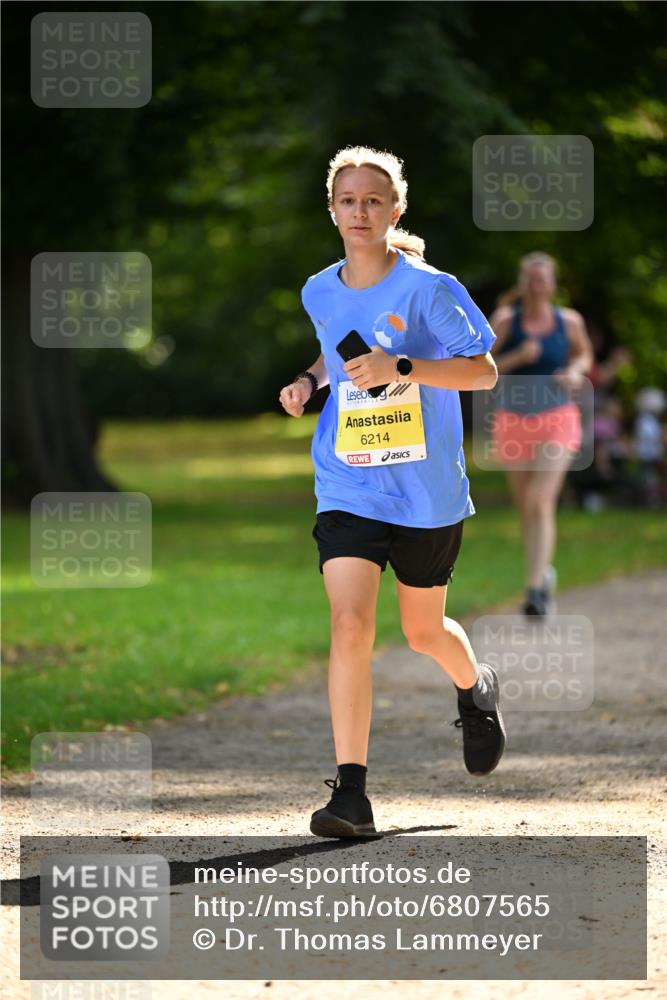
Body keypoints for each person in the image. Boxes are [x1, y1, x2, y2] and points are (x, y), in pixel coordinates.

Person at [278, 145, 505, 840]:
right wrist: (310, 381)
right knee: (350, 624)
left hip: (425, 486)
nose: (360, 211)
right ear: (331, 211)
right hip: (348, 478)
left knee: (421, 631)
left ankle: (474, 688)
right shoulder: (318, 289)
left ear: (395, 210)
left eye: (373, 200)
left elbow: (483, 372)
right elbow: (334, 349)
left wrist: (402, 365)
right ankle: (350, 794)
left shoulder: (430, 289)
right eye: (347, 200)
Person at [487, 253, 594, 616]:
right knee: (526, 508)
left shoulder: (569, 321)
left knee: (540, 500)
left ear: (552, 284)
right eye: (532, 280)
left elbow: (584, 356)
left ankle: (534, 592)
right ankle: (542, 572)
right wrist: (517, 357)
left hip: (557, 418)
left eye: (543, 280)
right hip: (512, 420)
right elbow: (479, 367)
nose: (537, 286)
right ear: (523, 283)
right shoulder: (506, 320)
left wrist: (575, 371)